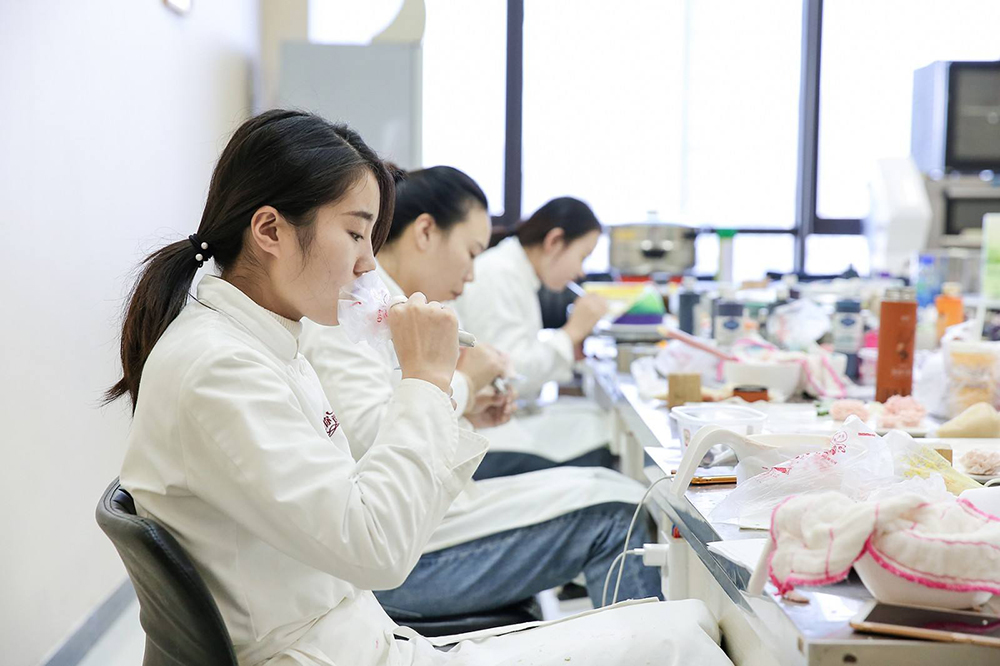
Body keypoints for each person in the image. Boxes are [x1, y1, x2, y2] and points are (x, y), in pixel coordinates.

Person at [109, 110, 731, 666]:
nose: (367, 264)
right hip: (333, 644)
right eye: (356, 233)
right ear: (270, 231)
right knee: (683, 637)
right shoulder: (222, 366)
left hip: (357, 631)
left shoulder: (263, 343)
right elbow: (376, 546)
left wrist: (443, 398)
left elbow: (370, 507)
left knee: (685, 624)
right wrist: (432, 383)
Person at [300, 166, 661, 618]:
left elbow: (394, 420)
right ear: (425, 232)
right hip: (404, 551)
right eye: (355, 235)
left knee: (620, 491)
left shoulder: (390, 306)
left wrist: (467, 407)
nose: (473, 275)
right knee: (620, 511)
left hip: (426, 517)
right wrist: (466, 386)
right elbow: (372, 437)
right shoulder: (352, 313)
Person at [454, 198, 615, 479]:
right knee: (606, 438)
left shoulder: (516, 272)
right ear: (554, 241)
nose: (581, 271)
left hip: (501, 418)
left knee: (601, 424)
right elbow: (510, 373)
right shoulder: (499, 274)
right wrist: (572, 332)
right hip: (488, 432)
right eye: (582, 256)